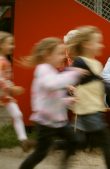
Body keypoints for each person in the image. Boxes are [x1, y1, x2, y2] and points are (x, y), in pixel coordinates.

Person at [19, 37, 86, 169]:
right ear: (47, 55)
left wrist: (67, 100)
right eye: (60, 53)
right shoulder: (43, 69)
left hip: (58, 121)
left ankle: (63, 163)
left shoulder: (51, 70)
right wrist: (73, 73)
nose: (63, 57)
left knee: (77, 140)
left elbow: (52, 96)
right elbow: (51, 84)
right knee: (40, 154)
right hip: (45, 122)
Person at [68, 25, 110, 169]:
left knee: (79, 141)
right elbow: (74, 78)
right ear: (86, 44)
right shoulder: (80, 61)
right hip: (87, 108)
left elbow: (98, 83)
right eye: (97, 42)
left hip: (95, 108)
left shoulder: (96, 63)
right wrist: (69, 83)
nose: (101, 45)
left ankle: (58, 146)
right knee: (106, 142)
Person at [0, 31, 35, 152]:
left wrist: (11, 89)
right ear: (1, 45)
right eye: (10, 44)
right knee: (16, 114)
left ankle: (23, 141)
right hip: (4, 93)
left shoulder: (5, 59)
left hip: (5, 95)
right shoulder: (1, 60)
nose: (13, 46)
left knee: (17, 114)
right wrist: (11, 88)